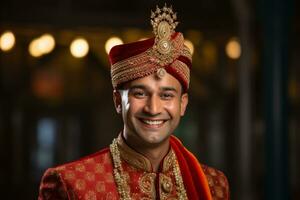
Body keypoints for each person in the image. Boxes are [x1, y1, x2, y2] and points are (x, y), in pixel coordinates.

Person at [38, 4, 229, 200]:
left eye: (166, 95)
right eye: (140, 94)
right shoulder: (71, 184)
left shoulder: (213, 184)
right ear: (117, 101)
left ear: (183, 104)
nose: (153, 108)